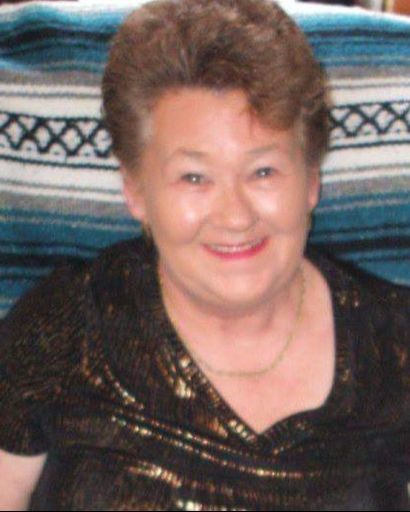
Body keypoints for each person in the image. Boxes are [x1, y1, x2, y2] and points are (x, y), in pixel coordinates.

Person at [0, 0, 408, 509]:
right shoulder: (64, 325)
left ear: (310, 179)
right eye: (194, 177)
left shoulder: (396, 348)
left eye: (263, 172)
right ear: (135, 190)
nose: (235, 216)